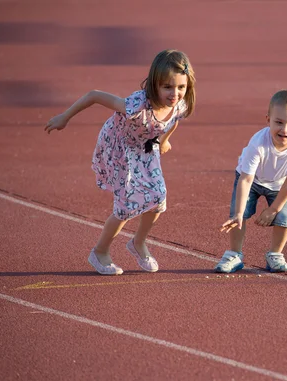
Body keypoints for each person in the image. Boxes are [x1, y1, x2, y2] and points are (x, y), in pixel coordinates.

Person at [44, 49, 196, 275]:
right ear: (154, 84)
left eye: (181, 87)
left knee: (158, 198)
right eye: (168, 87)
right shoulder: (136, 104)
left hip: (146, 147)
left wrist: (165, 140)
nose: (175, 93)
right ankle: (100, 251)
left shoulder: (179, 105)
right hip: (120, 148)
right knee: (126, 206)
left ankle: (138, 243)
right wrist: (64, 117)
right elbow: (94, 95)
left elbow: (173, 122)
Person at [218, 90, 287, 273]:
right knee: (240, 213)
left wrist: (273, 210)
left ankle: (275, 254)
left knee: (285, 218)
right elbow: (246, 179)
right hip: (251, 180)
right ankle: (235, 254)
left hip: (280, 184)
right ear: (268, 120)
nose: (284, 130)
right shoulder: (258, 143)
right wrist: (238, 212)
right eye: (278, 122)